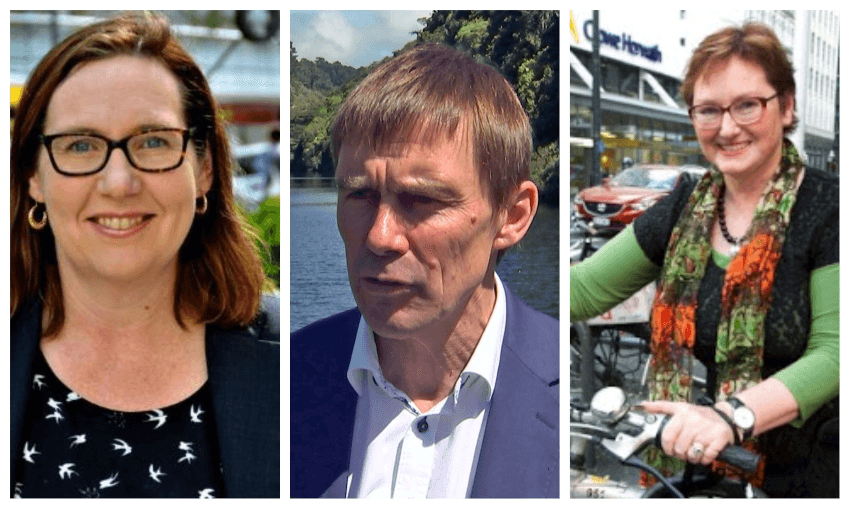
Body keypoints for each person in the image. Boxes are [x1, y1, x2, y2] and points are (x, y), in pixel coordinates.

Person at [10, 13, 279, 498]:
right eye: (80, 144)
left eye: (153, 141)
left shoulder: (298, 362)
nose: (119, 183)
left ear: (205, 169)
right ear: (34, 176)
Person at [571, 23, 838, 497]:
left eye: (748, 105)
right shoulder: (685, 206)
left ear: (788, 106)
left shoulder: (829, 208)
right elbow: (584, 288)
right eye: (709, 110)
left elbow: (836, 354)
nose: (728, 127)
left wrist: (731, 416)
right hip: (711, 465)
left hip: (818, 476)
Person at [290, 43, 558, 498]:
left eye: (422, 201)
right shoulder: (282, 377)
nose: (380, 236)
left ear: (512, 216)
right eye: (360, 194)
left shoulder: (567, 385)